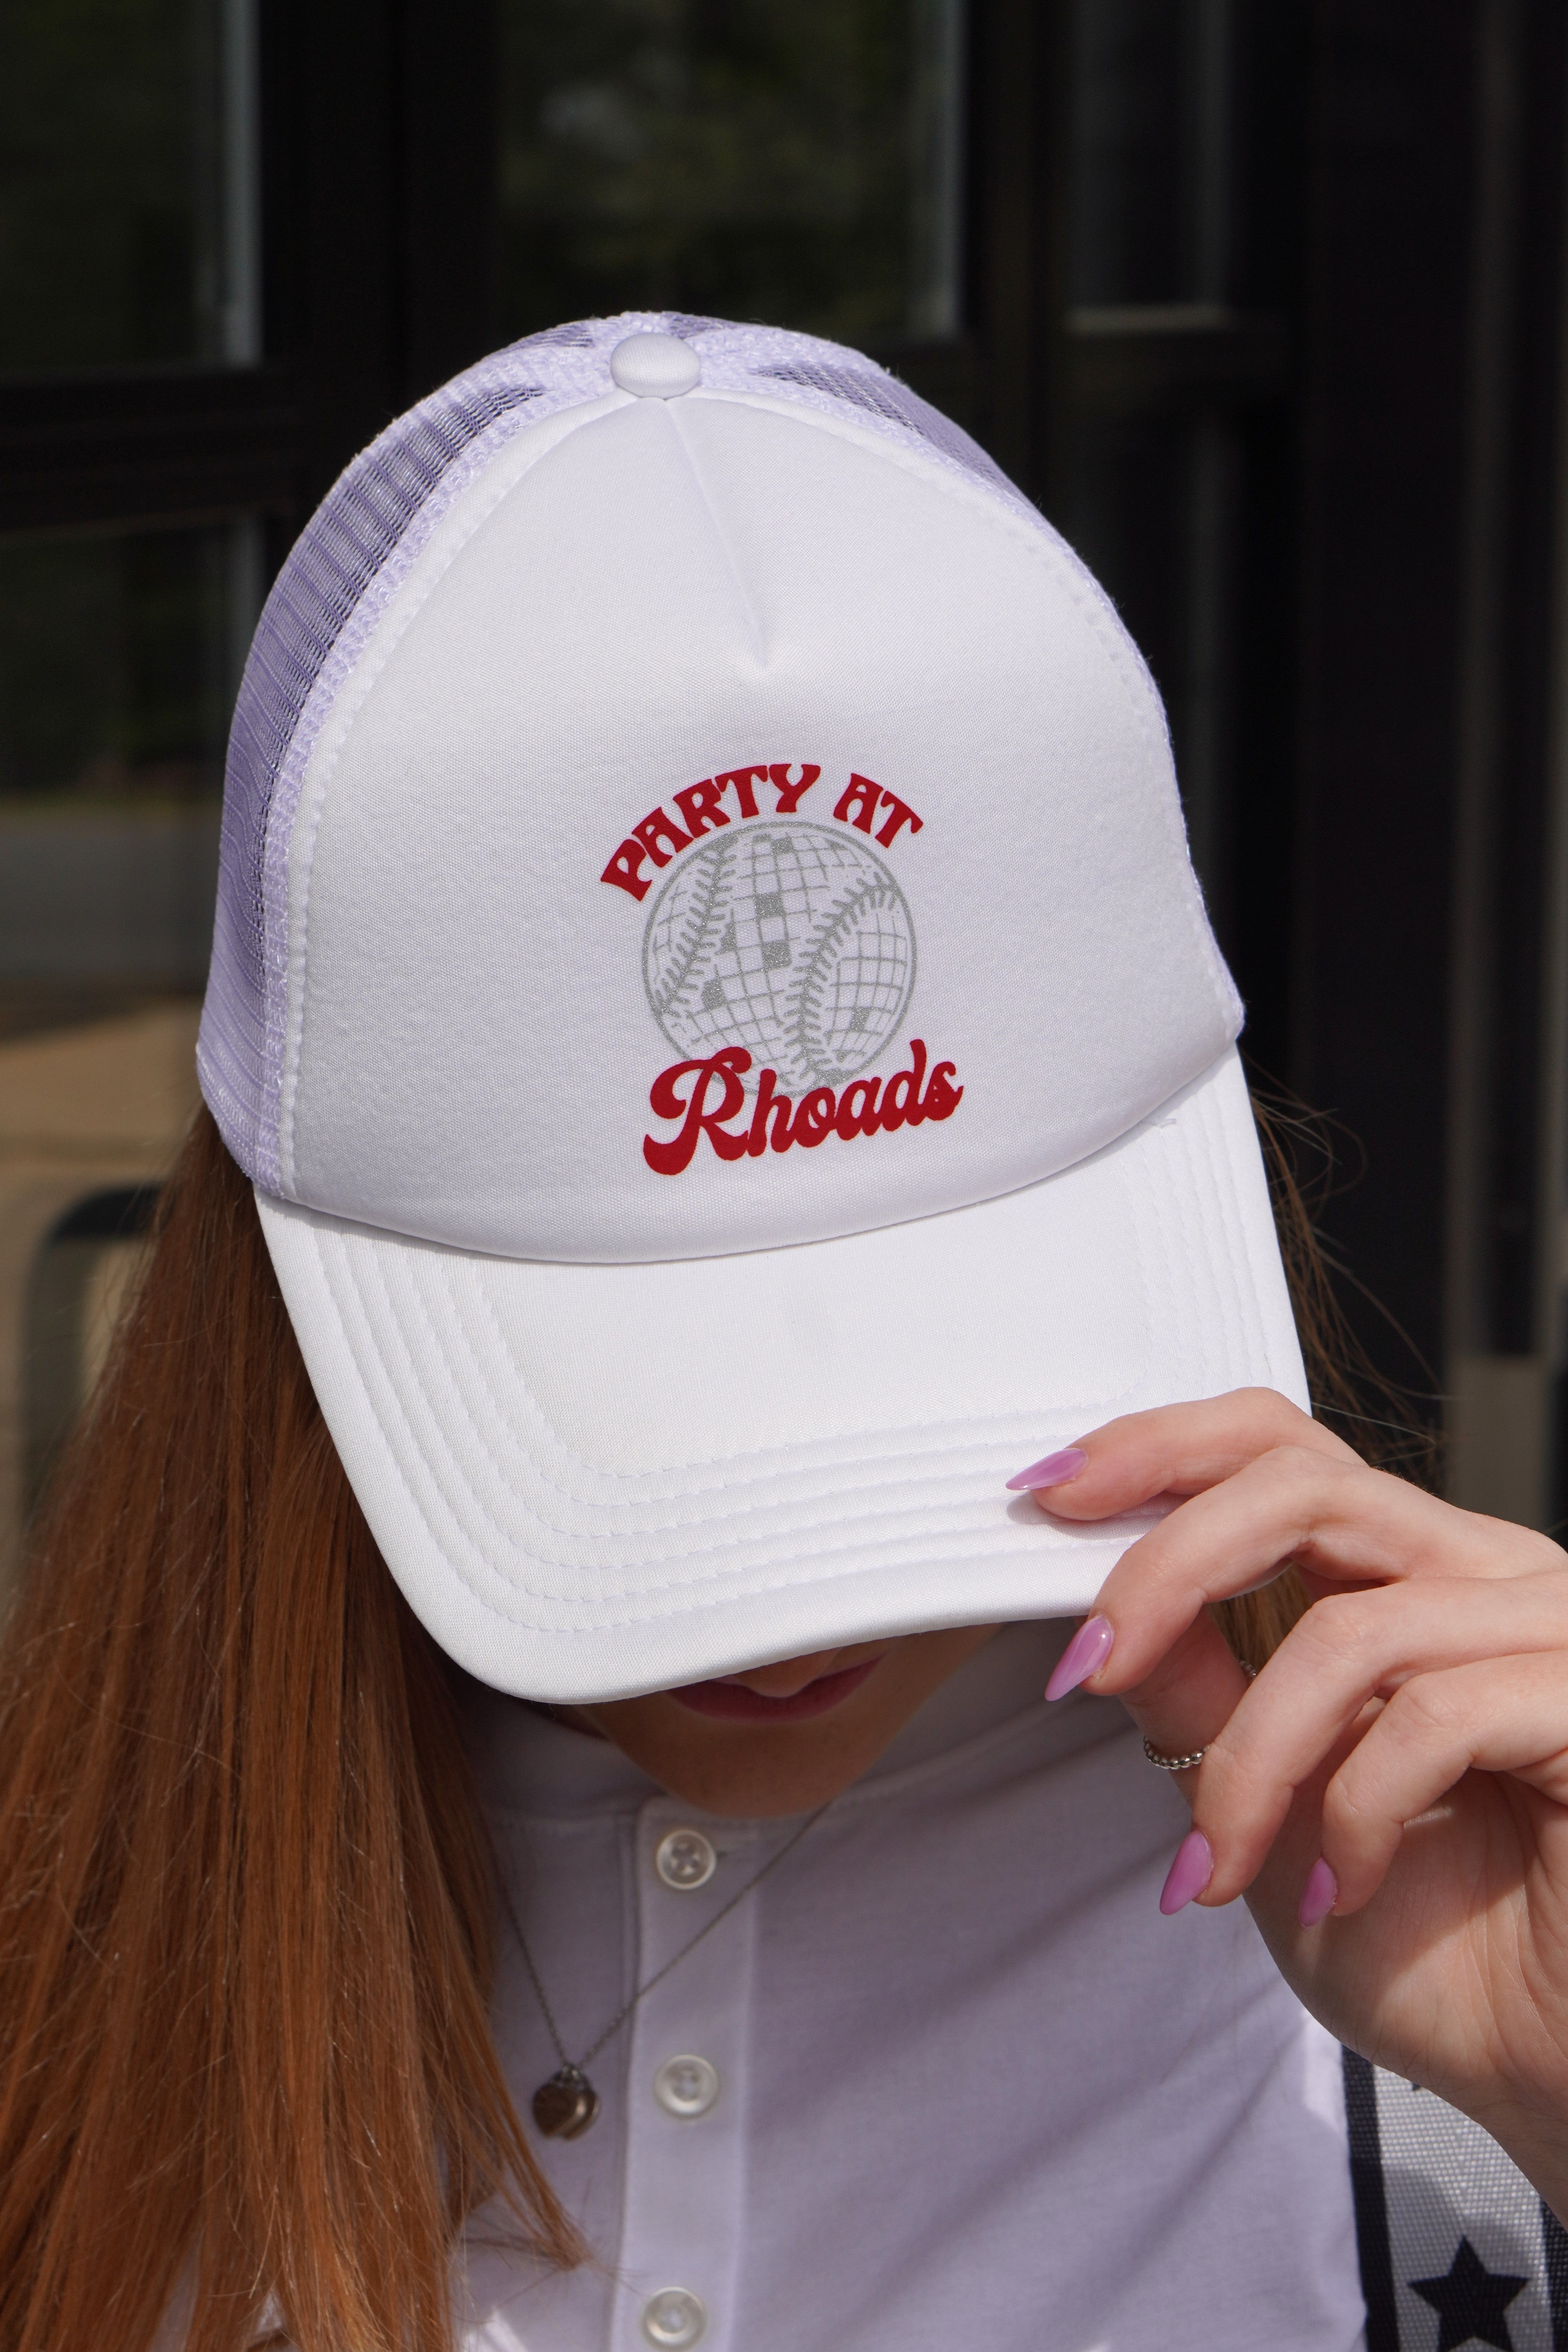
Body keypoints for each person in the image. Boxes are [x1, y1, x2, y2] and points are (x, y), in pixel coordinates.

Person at [4, 312, 1568, 2352]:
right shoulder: (80, 1984)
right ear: (284, 1293)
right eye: (630, 1388)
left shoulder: (1439, 1917)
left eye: (935, 1348)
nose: (779, 1621)